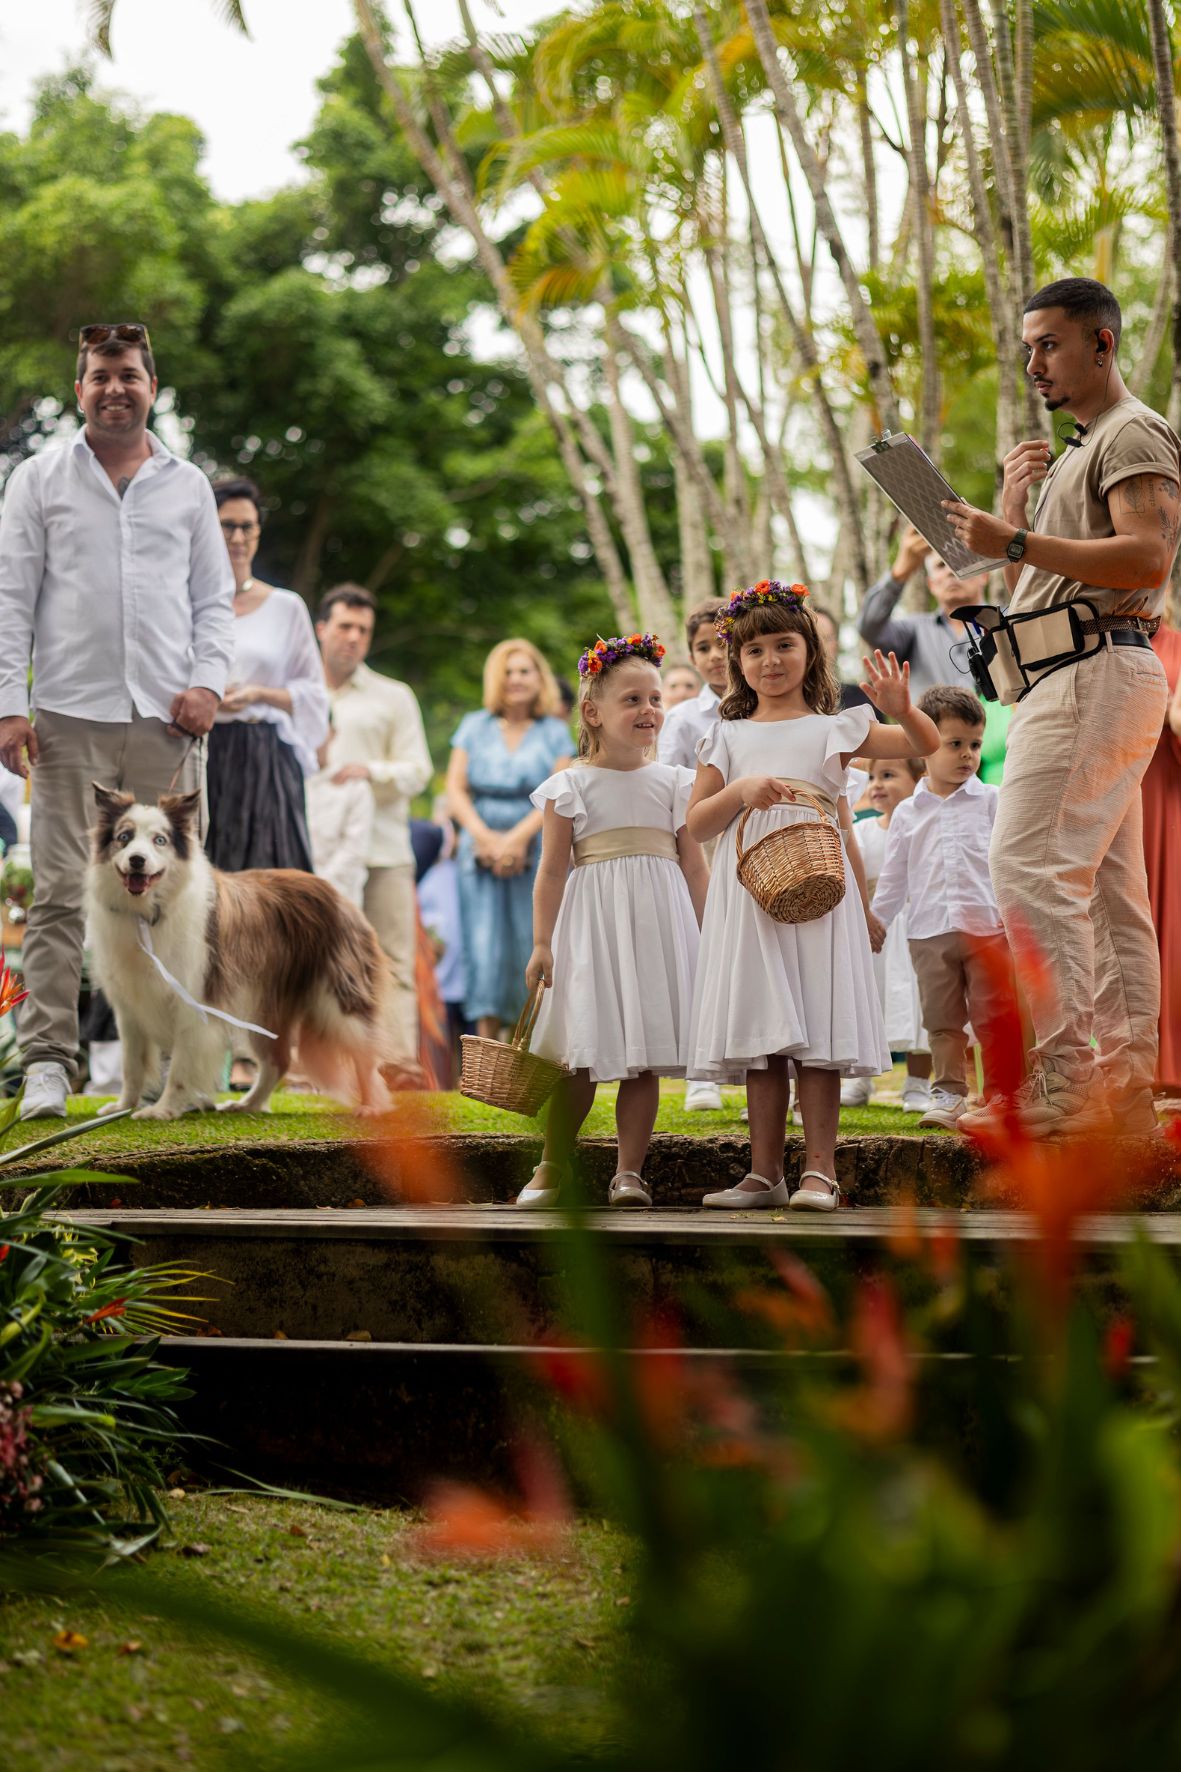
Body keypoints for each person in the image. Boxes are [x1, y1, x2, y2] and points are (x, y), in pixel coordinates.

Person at [944, 277, 1181, 1136]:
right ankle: (1119, 1095)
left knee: (1028, 869)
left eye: (1048, 344)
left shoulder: (1131, 431)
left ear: (1101, 344)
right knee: (1104, 895)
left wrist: (1011, 536)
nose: (1033, 363)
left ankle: (1062, 1087)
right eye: (1027, 348)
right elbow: (1045, 584)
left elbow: (1146, 558)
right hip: (1075, 672)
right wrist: (1013, 515)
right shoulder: (1083, 447)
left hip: (1093, 672)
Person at [0, 320, 233, 1119]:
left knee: (178, 898)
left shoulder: (188, 485)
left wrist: (208, 684)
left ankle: (182, 1070)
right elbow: (10, 598)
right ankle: (47, 1064)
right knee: (61, 892)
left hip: (169, 721)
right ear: (79, 391)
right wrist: (8, 707)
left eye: (128, 374)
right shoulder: (38, 478)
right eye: (100, 376)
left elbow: (214, 600)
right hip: (69, 719)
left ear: (151, 387)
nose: (114, 388)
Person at [686, 580, 939, 1212]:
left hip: (821, 889)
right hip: (751, 891)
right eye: (754, 651)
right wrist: (740, 792)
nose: (770, 661)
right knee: (764, 1026)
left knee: (818, 1024)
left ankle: (820, 1172)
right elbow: (697, 824)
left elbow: (925, 745)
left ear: (810, 651)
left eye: (784, 645)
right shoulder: (726, 735)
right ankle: (764, 1172)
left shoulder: (837, 727)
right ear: (737, 661)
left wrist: (902, 708)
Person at [517, 634, 708, 1210]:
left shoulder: (676, 783)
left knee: (643, 1056)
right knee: (579, 1053)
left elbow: (694, 865)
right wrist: (542, 943)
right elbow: (552, 871)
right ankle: (552, 1162)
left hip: (656, 926)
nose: (649, 709)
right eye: (632, 700)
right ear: (593, 712)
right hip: (593, 929)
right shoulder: (570, 786)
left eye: (655, 699)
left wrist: (710, 932)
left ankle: (629, 1172)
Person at [871, 687, 1010, 1130]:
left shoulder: (992, 801)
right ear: (922, 746)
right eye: (955, 744)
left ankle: (1002, 1096)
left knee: (994, 1016)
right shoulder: (908, 813)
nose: (968, 754)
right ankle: (949, 1095)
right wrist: (877, 920)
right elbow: (895, 875)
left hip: (988, 929)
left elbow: (1009, 862)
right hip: (929, 932)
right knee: (942, 1020)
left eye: (974, 744)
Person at [316, 584, 432, 1074]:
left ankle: (396, 1064)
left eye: (363, 630)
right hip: (317, 853)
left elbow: (419, 771)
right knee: (315, 963)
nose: (354, 637)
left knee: (392, 962)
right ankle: (314, 1072)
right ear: (322, 628)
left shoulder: (393, 696)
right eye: (345, 626)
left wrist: (372, 771)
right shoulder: (299, 693)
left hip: (384, 851)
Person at [446, 638, 574, 1040]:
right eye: (508, 672)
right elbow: (455, 788)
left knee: (530, 941)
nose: (516, 679)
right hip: (478, 847)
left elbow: (558, 790)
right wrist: (484, 838)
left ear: (539, 678)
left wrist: (517, 840)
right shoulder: (474, 725)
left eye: (524, 671)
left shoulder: (554, 732)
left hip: (537, 846)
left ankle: (528, 1045)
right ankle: (483, 1049)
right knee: (483, 947)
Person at [206, 479, 328, 873]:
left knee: (271, 878)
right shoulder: (184, 603)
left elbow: (313, 693)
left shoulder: (286, 607)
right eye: (227, 526)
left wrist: (258, 693)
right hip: (203, 752)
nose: (238, 537)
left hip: (265, 757)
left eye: (248, 526)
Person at [841, 755, 932, 1113]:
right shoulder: (863, 831)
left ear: (918, 779)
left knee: (920, 1004)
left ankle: (918, 1083)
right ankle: (859, 1079)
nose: (876, 784)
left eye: (889, 775)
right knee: (869, 1002)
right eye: (873, 777)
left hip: (914, 927)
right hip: (875, 930)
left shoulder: (925, 825)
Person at [858, 524, 993, 695]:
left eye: (959, 561)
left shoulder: (1007, 621)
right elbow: (870, 627)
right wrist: (900, 571)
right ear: (931, 584)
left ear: (984, 575)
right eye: (941, 565)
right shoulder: (914, 630)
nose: (950, 571)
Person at [1141, 619, 1181, 1091]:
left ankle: (1169, 1062)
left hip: (1167, 790)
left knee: (1170, 923)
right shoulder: (1093, 635)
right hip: (1114, 787)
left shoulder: (1177, 648)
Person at [306, 729, 373, 908]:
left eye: (316, 727)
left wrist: (315, 889)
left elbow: (354, 851)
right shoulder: (284, 782)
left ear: (332, 733)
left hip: (339, 902)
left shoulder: (354, 787)